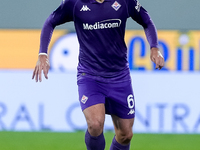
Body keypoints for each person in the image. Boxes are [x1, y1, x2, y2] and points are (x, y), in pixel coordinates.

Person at [32, 0, 164, 149]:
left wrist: (154, 48)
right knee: (95, 124)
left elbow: (146, 21)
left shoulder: (125, 2)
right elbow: (50, 21)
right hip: (90, 76)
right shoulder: (75, 3)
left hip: (119, 76)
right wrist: (43, 53)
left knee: (125, 135)